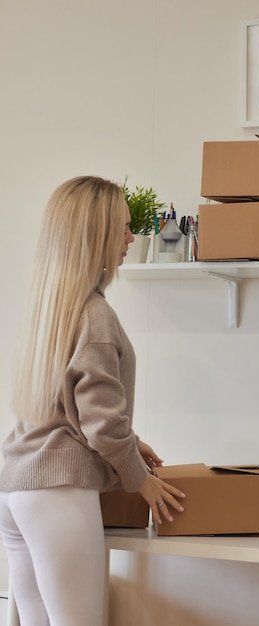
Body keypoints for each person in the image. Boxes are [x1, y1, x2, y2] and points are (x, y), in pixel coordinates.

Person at [0, 176, 186, 626]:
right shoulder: (95, 316)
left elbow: (66, 405)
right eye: (122, 228)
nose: (130, 239)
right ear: (97, 235)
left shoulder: (51, 307)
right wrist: (139, 478)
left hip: (16, 486)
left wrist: (131, 439)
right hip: (57, 491)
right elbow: (101, 426)